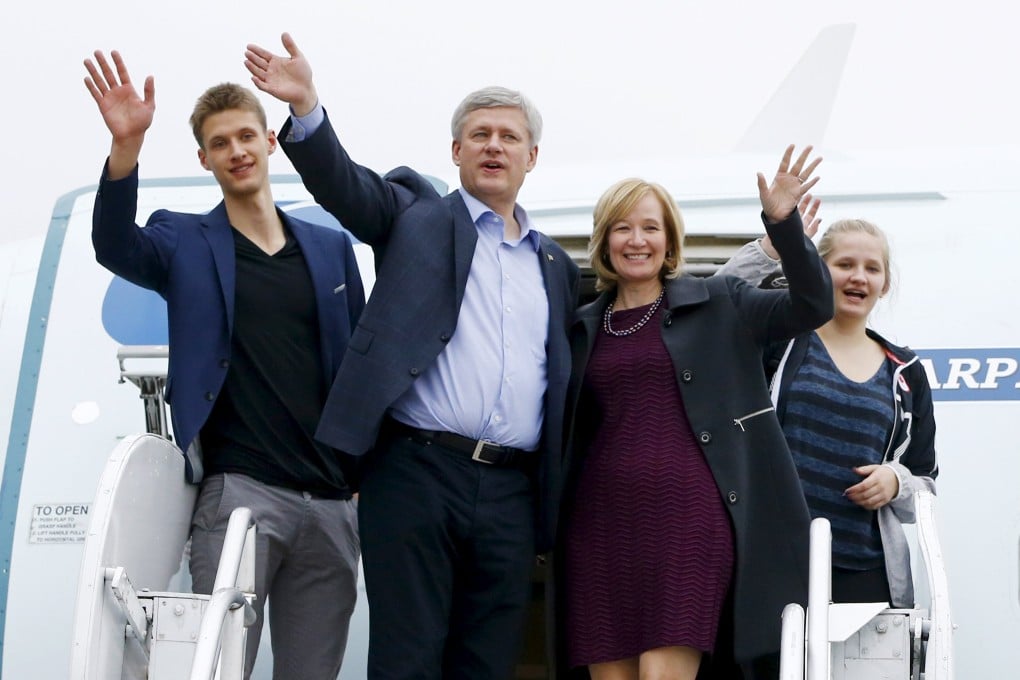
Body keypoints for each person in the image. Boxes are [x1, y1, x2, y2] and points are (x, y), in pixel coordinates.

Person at [243, 33, 580, 680]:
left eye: (508, 137)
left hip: (512, 488)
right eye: (478, 134)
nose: (493, 146)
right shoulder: (413, 217)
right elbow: (344, 187)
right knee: (408, 657)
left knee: (487, 661)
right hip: (418, 474)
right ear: (455, 152)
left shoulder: (556, 265)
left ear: (531, 157)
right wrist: (307, 107)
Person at [84, 50, 365, 679]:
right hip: (240, 497)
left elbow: (357, 366)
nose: (236, 150)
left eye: (245, 135)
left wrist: (357, 478)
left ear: (269, 140)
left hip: (329, 504)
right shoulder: (183, 240)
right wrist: (126, 146)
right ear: (204, 158)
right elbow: (114, 244)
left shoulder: (329, 250)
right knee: (216, 669)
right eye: (219, 143)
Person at [557, 146, 832, 680]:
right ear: (603, 241)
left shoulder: (720, 300)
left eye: (650, 228)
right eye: (621, 228)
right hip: (598, 524)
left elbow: (813, 305)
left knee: (663, 672)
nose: (636, 240)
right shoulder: (581, 326)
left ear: (669, 240)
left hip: (686, 519)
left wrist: (784, 226)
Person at [719, 216, 938, 610]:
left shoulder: (906, 371)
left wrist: (895, 480)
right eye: (845, 265)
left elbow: (926, 485)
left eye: (872, 269)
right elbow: (714, 303)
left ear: (884, 284)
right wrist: (769, 250)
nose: (859, 277)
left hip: (867, 575)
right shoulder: (779, 342)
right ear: (819, 271)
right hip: (774, 559)